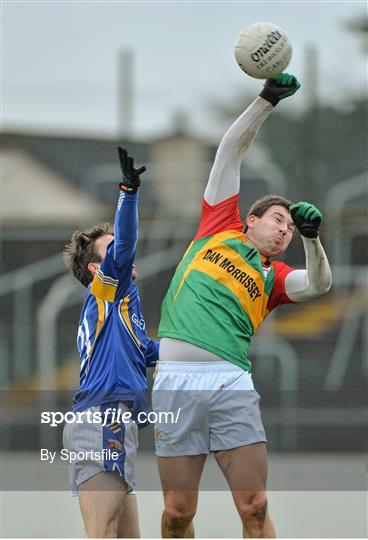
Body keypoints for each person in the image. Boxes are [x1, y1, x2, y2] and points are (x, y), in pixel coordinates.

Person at [153, 73, 332, 538]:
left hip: (230, 384)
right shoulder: (218, 225)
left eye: (291, 229)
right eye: (278, 220)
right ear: (251, 220)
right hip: (175, 383)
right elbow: (229, 150)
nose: (284, 230)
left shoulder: (272, 279)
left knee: (254, 506)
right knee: (177, 513)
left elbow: (318, 284)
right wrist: (267, 100)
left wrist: (312, 241)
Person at [63, 148, 158, 538]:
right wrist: (129, 192)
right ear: (96, 268)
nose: (124, 255)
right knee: (101, 533)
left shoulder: (122, 311)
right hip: (104, 418)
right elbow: (125, 246)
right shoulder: (106, 291)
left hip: (116, 421)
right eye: (113, 250)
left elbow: (158, 352)